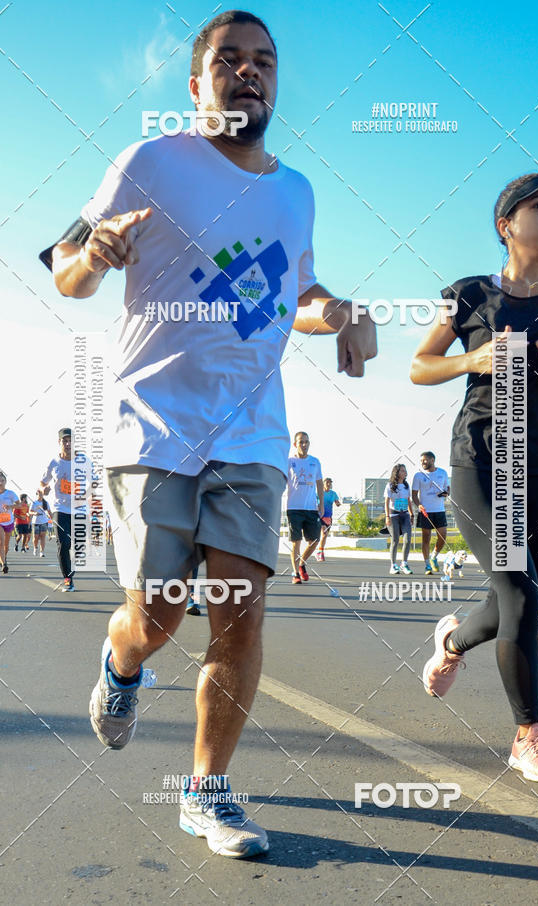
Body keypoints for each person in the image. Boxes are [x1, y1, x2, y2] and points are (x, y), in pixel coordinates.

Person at [43, 10, 375, 859]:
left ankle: (207, 790)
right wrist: (97, 254)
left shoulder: (296, 190)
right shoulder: (150, 161)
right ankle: (123, 664)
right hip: (151, 426)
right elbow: (66, 265)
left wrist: (336, 311)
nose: (248, 72)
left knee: (240, 613)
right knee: (155, 617)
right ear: (196, 84)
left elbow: (294, 292)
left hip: (254, 436)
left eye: (264, 61)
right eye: (229, 60)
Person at [412, 170, 538, 783]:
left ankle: (452, 642)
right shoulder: (468, 293)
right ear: (506, 225)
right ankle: (528, 736)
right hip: (480, 459)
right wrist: (473, 358)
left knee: (521, 597)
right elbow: (420, 366)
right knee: (518, 592)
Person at [40, 428, 76, 591]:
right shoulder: (53, 463)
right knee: (63, 543)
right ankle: (67, 578)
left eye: (70, 440)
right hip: (59, 509)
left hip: (79, 509)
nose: (68, 443)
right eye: (64, 440)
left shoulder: (83, 461)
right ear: (59, 442)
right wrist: (44, 490)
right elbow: (42, 483)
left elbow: (94, 480)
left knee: (78, 546)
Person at [287, 432, 324, 582]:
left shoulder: (315, 462)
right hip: (293, 508)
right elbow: (280, 481)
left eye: (307, 442)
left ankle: (301, 564)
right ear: (295, 444)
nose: (304, 445)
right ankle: (296, 574)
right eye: (301, 442)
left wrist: (321, 504)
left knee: (315, 540)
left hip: (311, 508)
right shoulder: (288, 462)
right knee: (296, 541)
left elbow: (319, 484)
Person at [411, 452, 449, 574]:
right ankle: (427, 565)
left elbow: (447, 489)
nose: (422, 463)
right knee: (426, 538)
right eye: (421, 460)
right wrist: (419, 505)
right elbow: (414, 494)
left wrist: (446, 493)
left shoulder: (442, 473)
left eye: (425, 460)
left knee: (442, 536)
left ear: (432, 460)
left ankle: (434, 557)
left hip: (439, 510)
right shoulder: (418, 475)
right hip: (425, 511)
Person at [385, 464, 414, 575]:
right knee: (395, 540)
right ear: (396, 473)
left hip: (405, 515)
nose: (405, 472)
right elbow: (387, 502)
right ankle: (393, 565)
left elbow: (409, 501)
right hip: (393, 515)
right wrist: (387, 516)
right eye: (402, 471)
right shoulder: (390, 485)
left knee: (407, 540)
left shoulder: (406, 486)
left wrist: (412, 515)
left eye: (405, 470)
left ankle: (404, 564)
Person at [315, 477, 340, 562]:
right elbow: (313, 501)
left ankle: (319, 551)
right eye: (327, 482)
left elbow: (337, 502)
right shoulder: (319, 493)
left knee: (324, 536)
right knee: (324, 533)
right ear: (323, 484)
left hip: (328, 517)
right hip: (320, 516)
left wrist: (338, 503)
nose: (329, 484)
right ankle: (320, 553)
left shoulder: (333, 494)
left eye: (330, 483)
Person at [0, 471, 18, 573]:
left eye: (2, 480)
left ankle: (3, 558)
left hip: (9, 521)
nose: (0, 483)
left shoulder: (11, 493)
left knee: (6, 544)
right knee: (1, 543)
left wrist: (10, 506)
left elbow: (19, 505)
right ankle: (4, 564)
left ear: (5, 481)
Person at [30, 489, 51, 557]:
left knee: (43, 537)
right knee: (35, 537)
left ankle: (42, 552)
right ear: (37, 494)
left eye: (41, 493)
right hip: (36, 522)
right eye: (39, 493)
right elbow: (30, 512)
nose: (40, 495)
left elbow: (49, 511)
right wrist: (34, 513)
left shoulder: (46, 503)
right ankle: (35, 548)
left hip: (44, 521)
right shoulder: (34, 502)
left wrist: (53, 517)